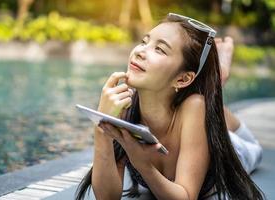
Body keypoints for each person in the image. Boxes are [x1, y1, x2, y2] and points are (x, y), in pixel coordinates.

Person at [75, 13, 264, 200]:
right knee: (206, 101)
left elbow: (186, 196)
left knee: (206, 103)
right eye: (144, 41)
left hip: (237, 146)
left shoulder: (194, 107)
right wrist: (101, 126)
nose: (140, 51)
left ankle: (217, 77)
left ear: (182, 78)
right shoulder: (126, 108)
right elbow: (107, 197)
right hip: (189, 108)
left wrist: (144, 165)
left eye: (160, 50)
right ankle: (215, 79)